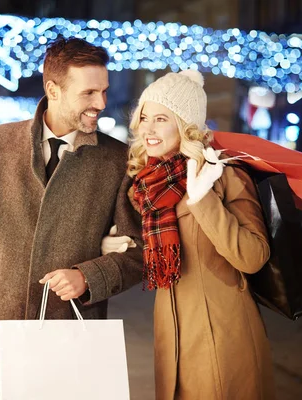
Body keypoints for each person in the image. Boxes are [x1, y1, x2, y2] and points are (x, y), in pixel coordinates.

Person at [0, 37, 143, 399]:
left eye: (103, 91)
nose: (100, 103)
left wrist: (89, 276)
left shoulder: (118, 160)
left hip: (71, 327)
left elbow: (138, 253)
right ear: (53, 89)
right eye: (88, 93)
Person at [105, 70, 275, 399]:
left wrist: (202, 199)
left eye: (161, 119)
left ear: (185, 124)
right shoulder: (146, 183)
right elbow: (149, 249)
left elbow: (253, 257)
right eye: (143, 118)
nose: (148, 129)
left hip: (221, 334)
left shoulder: (222, 174)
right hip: (171, 336)